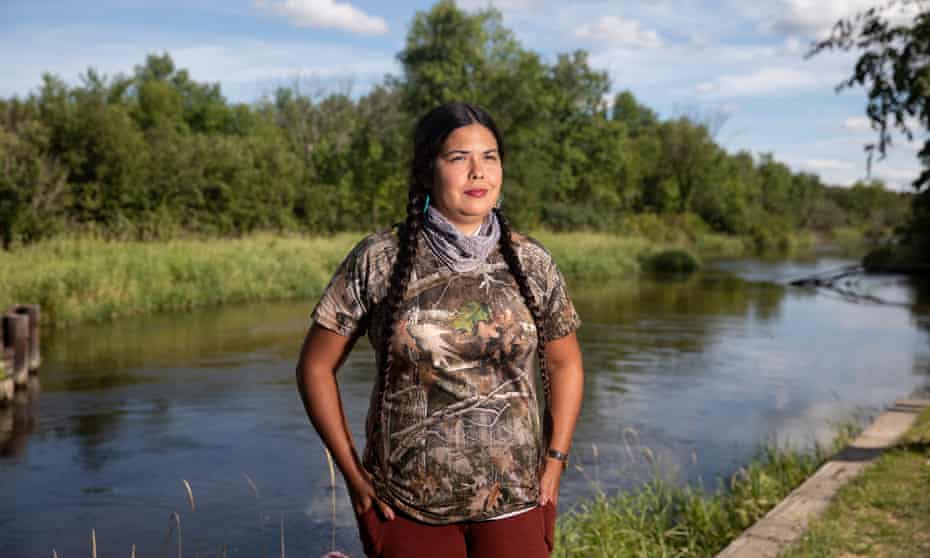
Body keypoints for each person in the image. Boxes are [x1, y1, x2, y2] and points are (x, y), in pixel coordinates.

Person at [296, 101, 584, 558]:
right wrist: (352, 473)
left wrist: (556, 460)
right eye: (458, 157)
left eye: (489, 157)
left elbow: (565, 364)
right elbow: (315, 367)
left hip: (516, 499)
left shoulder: (532, 262)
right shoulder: (379, 259)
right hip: (404, 505)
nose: (478, 171)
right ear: (427, 171)